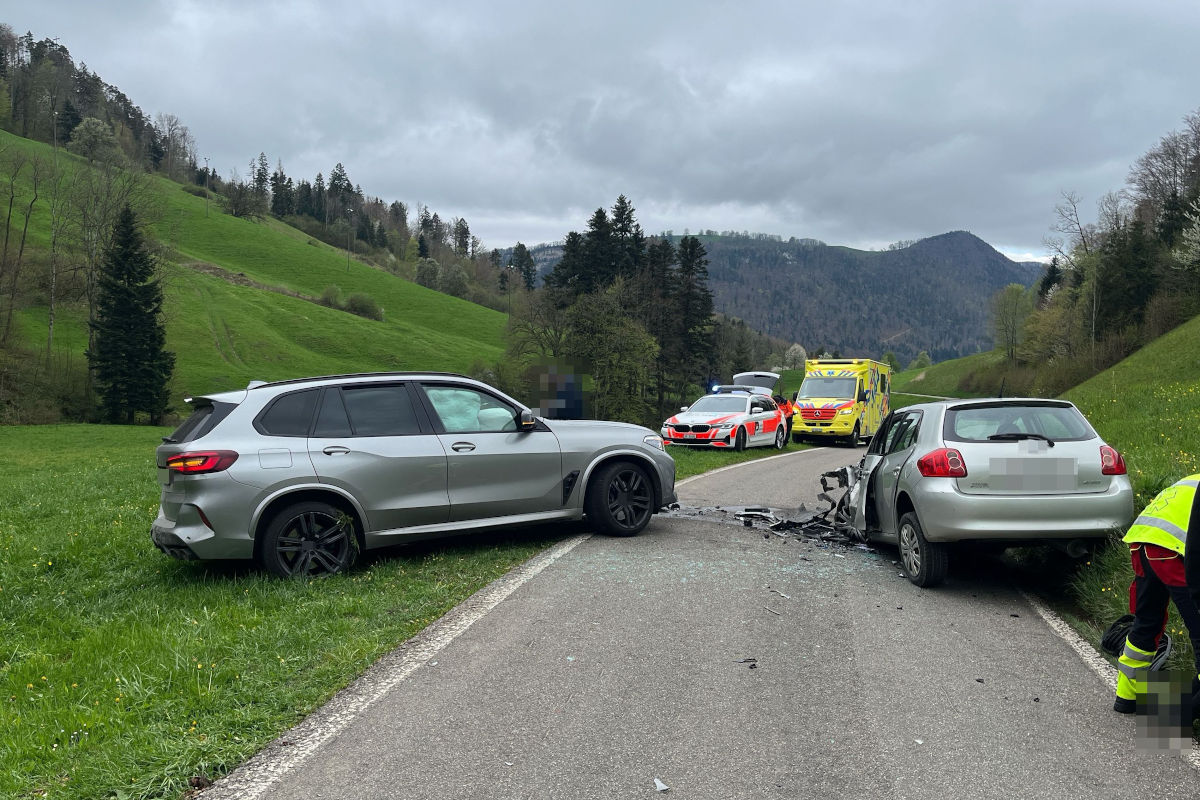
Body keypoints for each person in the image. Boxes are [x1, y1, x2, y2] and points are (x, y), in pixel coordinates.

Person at [1114, 474, 1200, 717]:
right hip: (1171, 549)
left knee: (1147, 622)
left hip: (1142, 541)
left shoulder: (1193, 479)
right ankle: (1178, 715)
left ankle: (1127, 697)